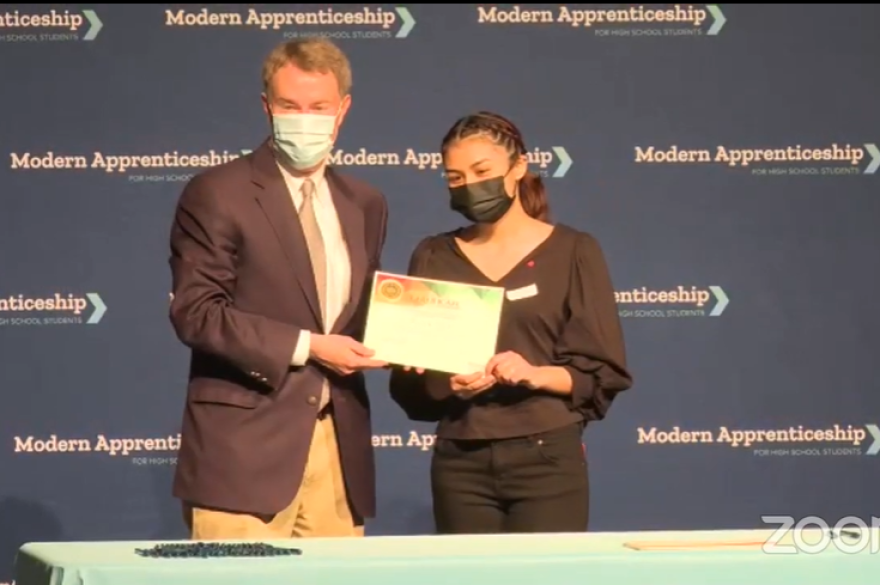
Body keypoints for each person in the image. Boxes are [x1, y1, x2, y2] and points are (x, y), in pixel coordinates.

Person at [168, 38, 389, 540]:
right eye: (290, 106)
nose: (304, 119)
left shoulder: (365, 203)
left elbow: (362, 314)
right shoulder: (217, 192)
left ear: (343, 111)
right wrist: (311, 346)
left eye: (319, 107)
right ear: (267, 107)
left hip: (339, 455)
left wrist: (420, 344)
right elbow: (197, 312)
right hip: (244, 454)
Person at [388, 111, 633, 534]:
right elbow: (408, 385)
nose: (469, 185)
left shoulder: (574, 250)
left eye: (482, 171)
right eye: (455, 177)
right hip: (459, 460)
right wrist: (449, 383)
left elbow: (601, 374)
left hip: (547, 457)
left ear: (519, 166)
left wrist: (534, 374)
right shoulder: (432, 255)